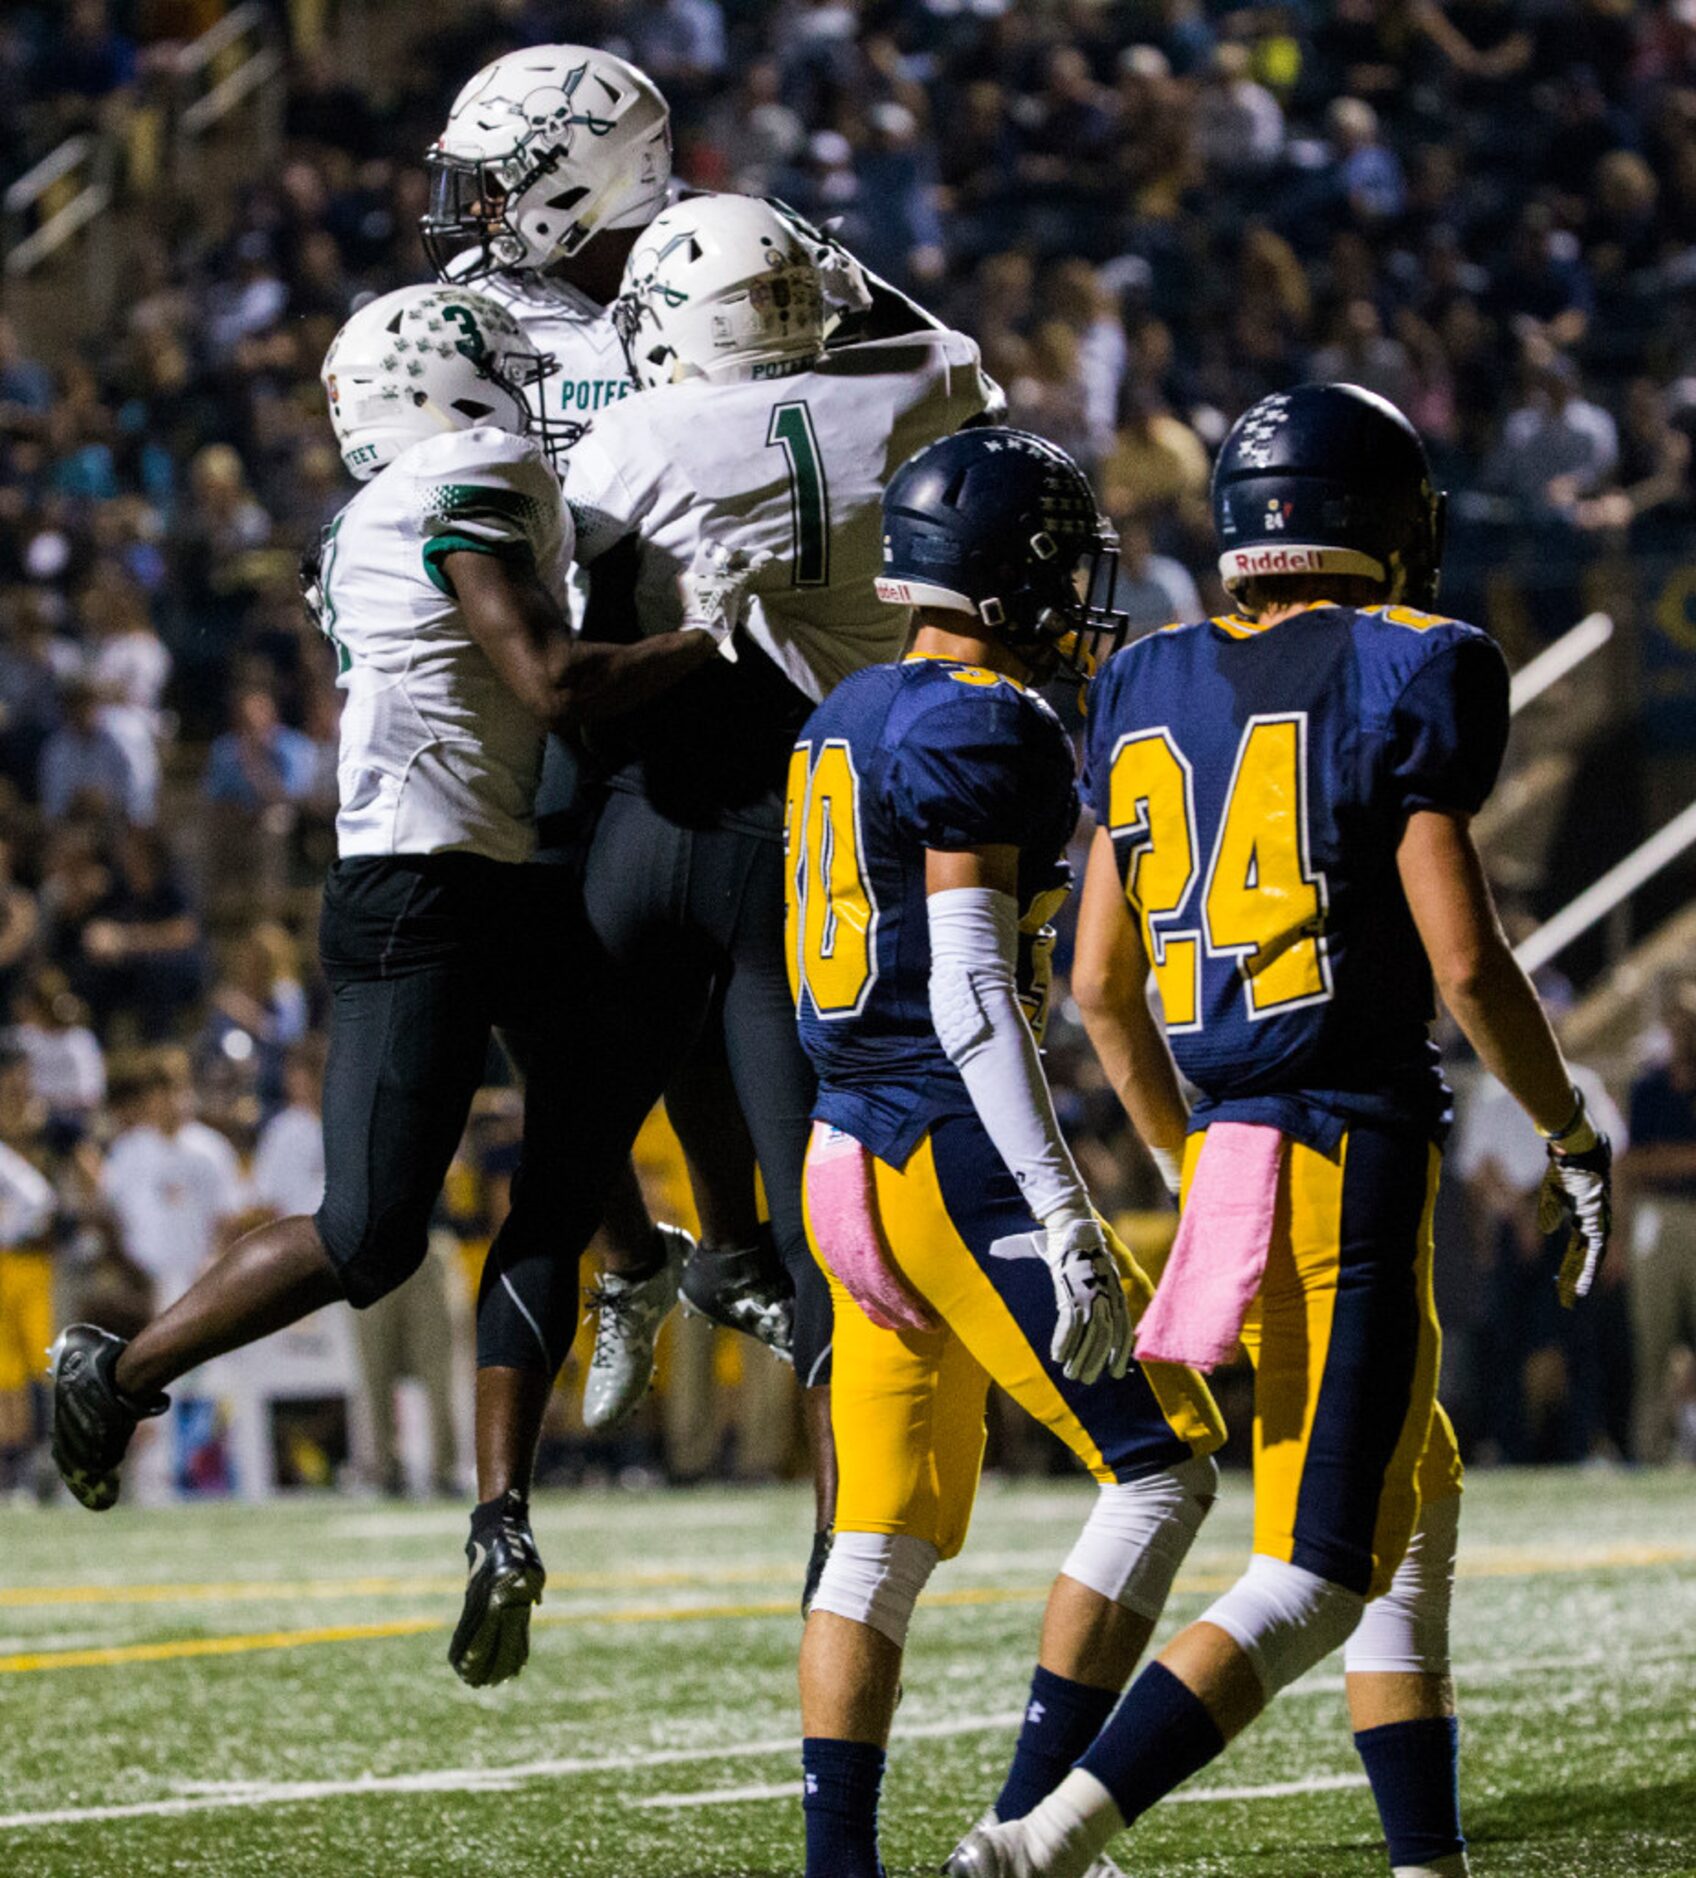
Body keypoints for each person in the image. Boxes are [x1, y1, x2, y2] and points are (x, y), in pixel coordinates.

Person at [947, 384, 1614, 1878]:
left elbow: (1104, 993)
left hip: (1237, 1141)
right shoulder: (1414, 663)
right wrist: (1570, 1127)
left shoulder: (1148, 674)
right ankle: (1043, 1839)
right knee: (1314, 1567)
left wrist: (1203, 1160)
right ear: (1379, 520)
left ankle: (1423, 1853)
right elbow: (1463, 959)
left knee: (1410, 1486)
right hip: (1353, 1132)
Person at [49, 284, 739, 1680]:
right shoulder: (466, 476)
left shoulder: (404, 499)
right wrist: (704, 635)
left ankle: (509, 1508)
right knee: (369, 1237)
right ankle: (110, 1377)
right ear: (444, 386)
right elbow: (547, 679)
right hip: (418, 894)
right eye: (496, 361)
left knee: (569, 1154)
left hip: (491, 871)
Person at [421, 48, 985, 1488]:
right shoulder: (495, 313)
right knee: (539, 980)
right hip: (594, 677)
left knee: (705, 981)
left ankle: (729, 1249)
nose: (475, 206)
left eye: (501, 174)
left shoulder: (738, 265)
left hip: (705, 701)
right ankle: (641, 1255)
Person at [791, 428, 1224, 1878]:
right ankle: (1026, 1834)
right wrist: (1060, 1201)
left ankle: (838, 1865)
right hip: (941, 1145)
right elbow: (973, 989)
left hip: (841, 1150)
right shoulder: (986, 720)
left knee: (879, 1533)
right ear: (1016, 572)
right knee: (1161, 1467)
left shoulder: (841, 708)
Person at [1621, 977, 1696, 1463]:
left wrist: (1666, 1159)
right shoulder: (1649, 1086)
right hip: (1658, 1217)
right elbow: (1633, 1164)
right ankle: (1648, 1452)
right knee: (1651, 1342)